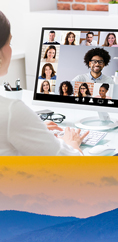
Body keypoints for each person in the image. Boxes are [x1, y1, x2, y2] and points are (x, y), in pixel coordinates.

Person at [0, 12, 87, 155]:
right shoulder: (11, 111)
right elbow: (72, 164)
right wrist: (72, 144)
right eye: (9, 43)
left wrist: (33, 129)